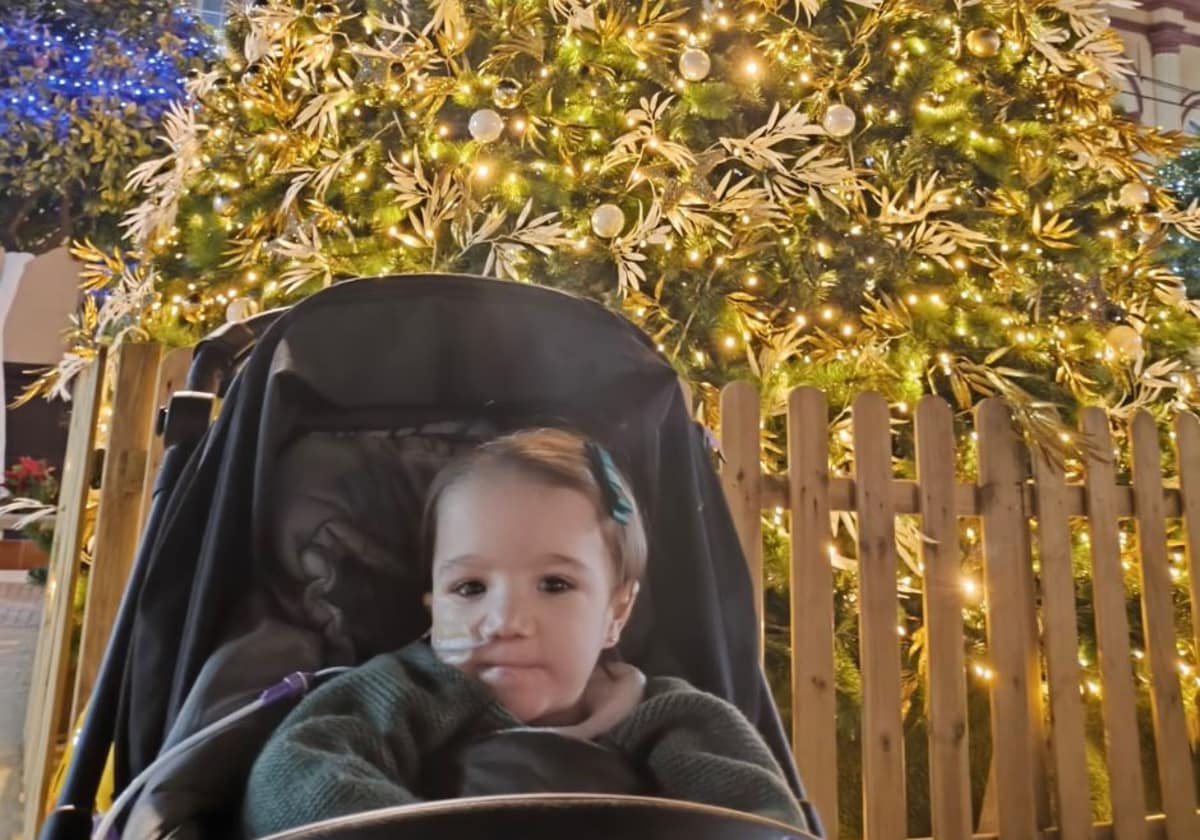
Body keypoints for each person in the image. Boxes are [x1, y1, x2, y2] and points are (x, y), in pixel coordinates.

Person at [241, 428, 810, 837]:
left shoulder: (673, 719)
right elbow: (291, 777)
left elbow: (761, 823)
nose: (506, 620)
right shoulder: (404, 692)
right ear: (434, 607)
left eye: (555, 584)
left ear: (617, 612)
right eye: (470, 588)